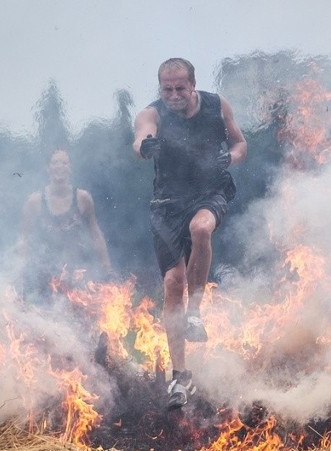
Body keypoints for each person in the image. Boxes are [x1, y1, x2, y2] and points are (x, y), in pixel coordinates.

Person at [133, 57, 247, 409]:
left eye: (180, 88)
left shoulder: (216, 106)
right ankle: (180, 377)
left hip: (210, 193)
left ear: (193, 85)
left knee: (201, 229)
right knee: (171, 283)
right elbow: (140, 139)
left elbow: (241, 144)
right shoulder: (151, 113)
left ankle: (195, 313)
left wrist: (229, 158)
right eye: (167, 88)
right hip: (166, 203)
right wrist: (146, 146)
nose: (174, 95)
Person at [19, 149, 113, 302]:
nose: (59, 166)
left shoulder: (83, 198)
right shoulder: (34, 201)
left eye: (64, 162)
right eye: (55, 162)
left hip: (76, 273)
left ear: (70, 167)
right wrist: (20, 271)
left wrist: (106, 266)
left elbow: (95, 234)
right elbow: (25, 238)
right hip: (43, 274)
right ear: (48, 168)